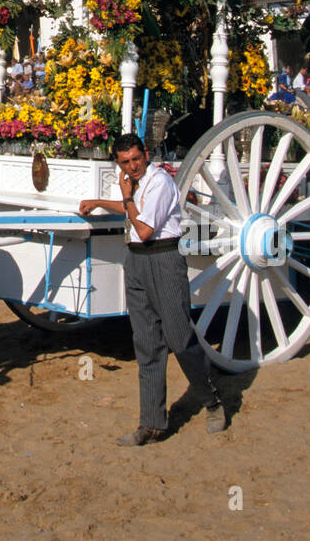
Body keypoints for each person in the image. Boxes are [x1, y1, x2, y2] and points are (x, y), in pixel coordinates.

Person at [79, 132, 225, 444]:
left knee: (178, 337)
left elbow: (144, 228)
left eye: (135, 159)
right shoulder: (138, 183)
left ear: (146, 154)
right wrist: (101, 202)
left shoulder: (160, 181)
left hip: (163, 258)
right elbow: (133, 209)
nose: (132, 166)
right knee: (146, 342)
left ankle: (211, 401)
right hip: (137, 262)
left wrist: (126, 196)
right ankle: (152, 423)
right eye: (125, 163)